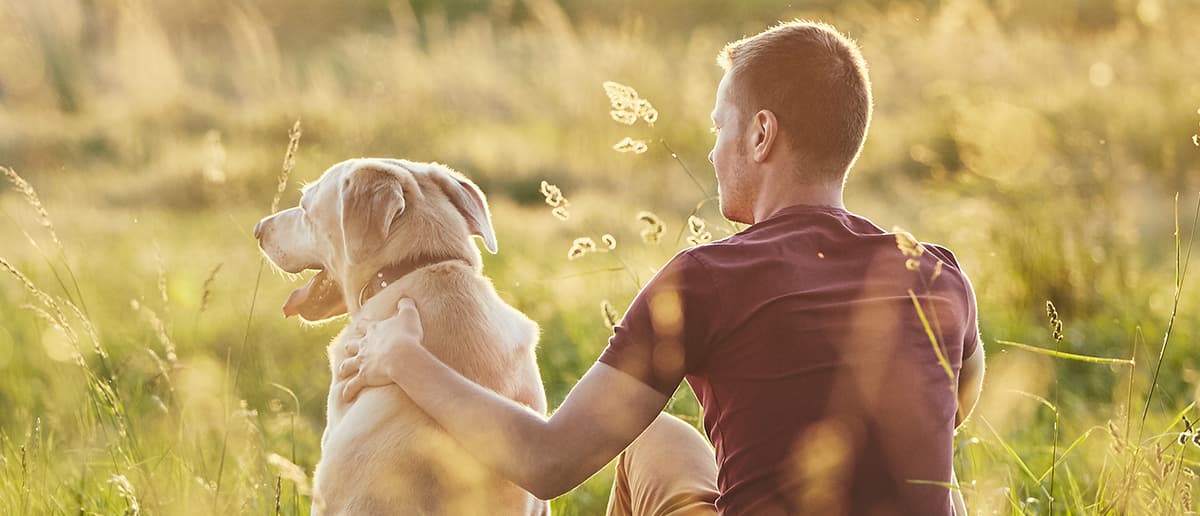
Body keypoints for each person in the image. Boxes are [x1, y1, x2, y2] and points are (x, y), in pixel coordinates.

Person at [337, 20, 985, 516]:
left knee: (642, 443)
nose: (713, 152)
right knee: (665, 438)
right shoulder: (939, 274)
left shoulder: (708, 278)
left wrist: (404, 358)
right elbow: (948, 417)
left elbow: (547, 462)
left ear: (761, 134)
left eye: (719, 127)